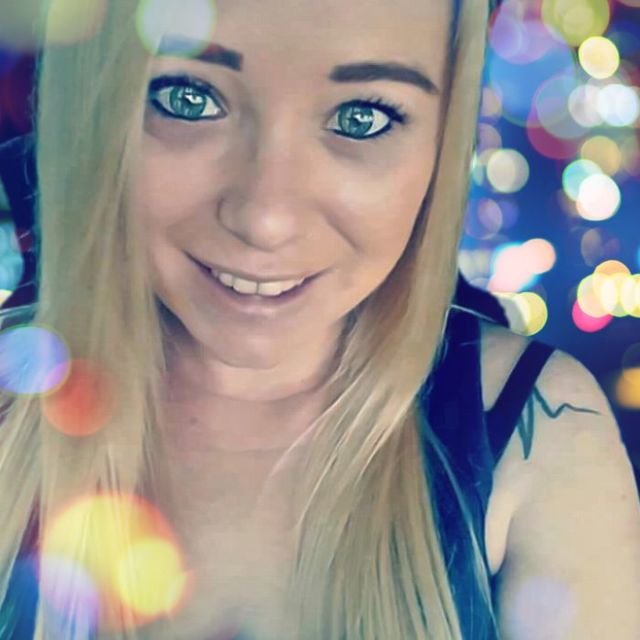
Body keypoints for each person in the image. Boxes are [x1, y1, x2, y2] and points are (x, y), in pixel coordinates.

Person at [0, 0, 639, 638]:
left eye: (361, 118)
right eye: (188, 98)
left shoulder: (539, 432)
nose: (265, 219)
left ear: (445, 137)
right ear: (92, 103)